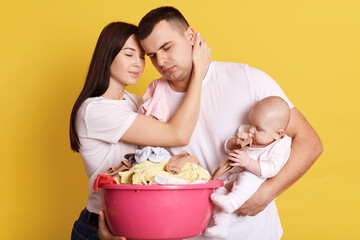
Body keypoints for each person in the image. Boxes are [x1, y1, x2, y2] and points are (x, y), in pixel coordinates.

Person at [100, 6, 323, 240]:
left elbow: (309, 141)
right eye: (152, 55)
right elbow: (147, 175)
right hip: (183, 233)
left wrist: (267, 193)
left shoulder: (247, 79)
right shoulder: (152, 100)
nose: (161, 61)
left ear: (190, 36)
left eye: (167, 47)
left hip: (251, 231)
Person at [69, 21, 211, 240]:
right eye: (129, 54)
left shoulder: (134, 101)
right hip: (101, 227)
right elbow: (177, 134)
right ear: (108, 55)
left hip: (137, 221)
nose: (138, 64)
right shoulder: (94, 110)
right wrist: (198, 72)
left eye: (143, 56)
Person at [205, 96, 292, 239]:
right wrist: (235, 142)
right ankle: (221, 226)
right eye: (251, 123)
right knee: (219, 190)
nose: (251, 130)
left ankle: (233, 202)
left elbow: (271, 170)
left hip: (255, 180)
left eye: (258, 129)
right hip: (234, 177)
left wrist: (248, 163)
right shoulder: (249, 131)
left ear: (278, 134)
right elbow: (226, 147)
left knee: (248, 177)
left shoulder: (281, 146)